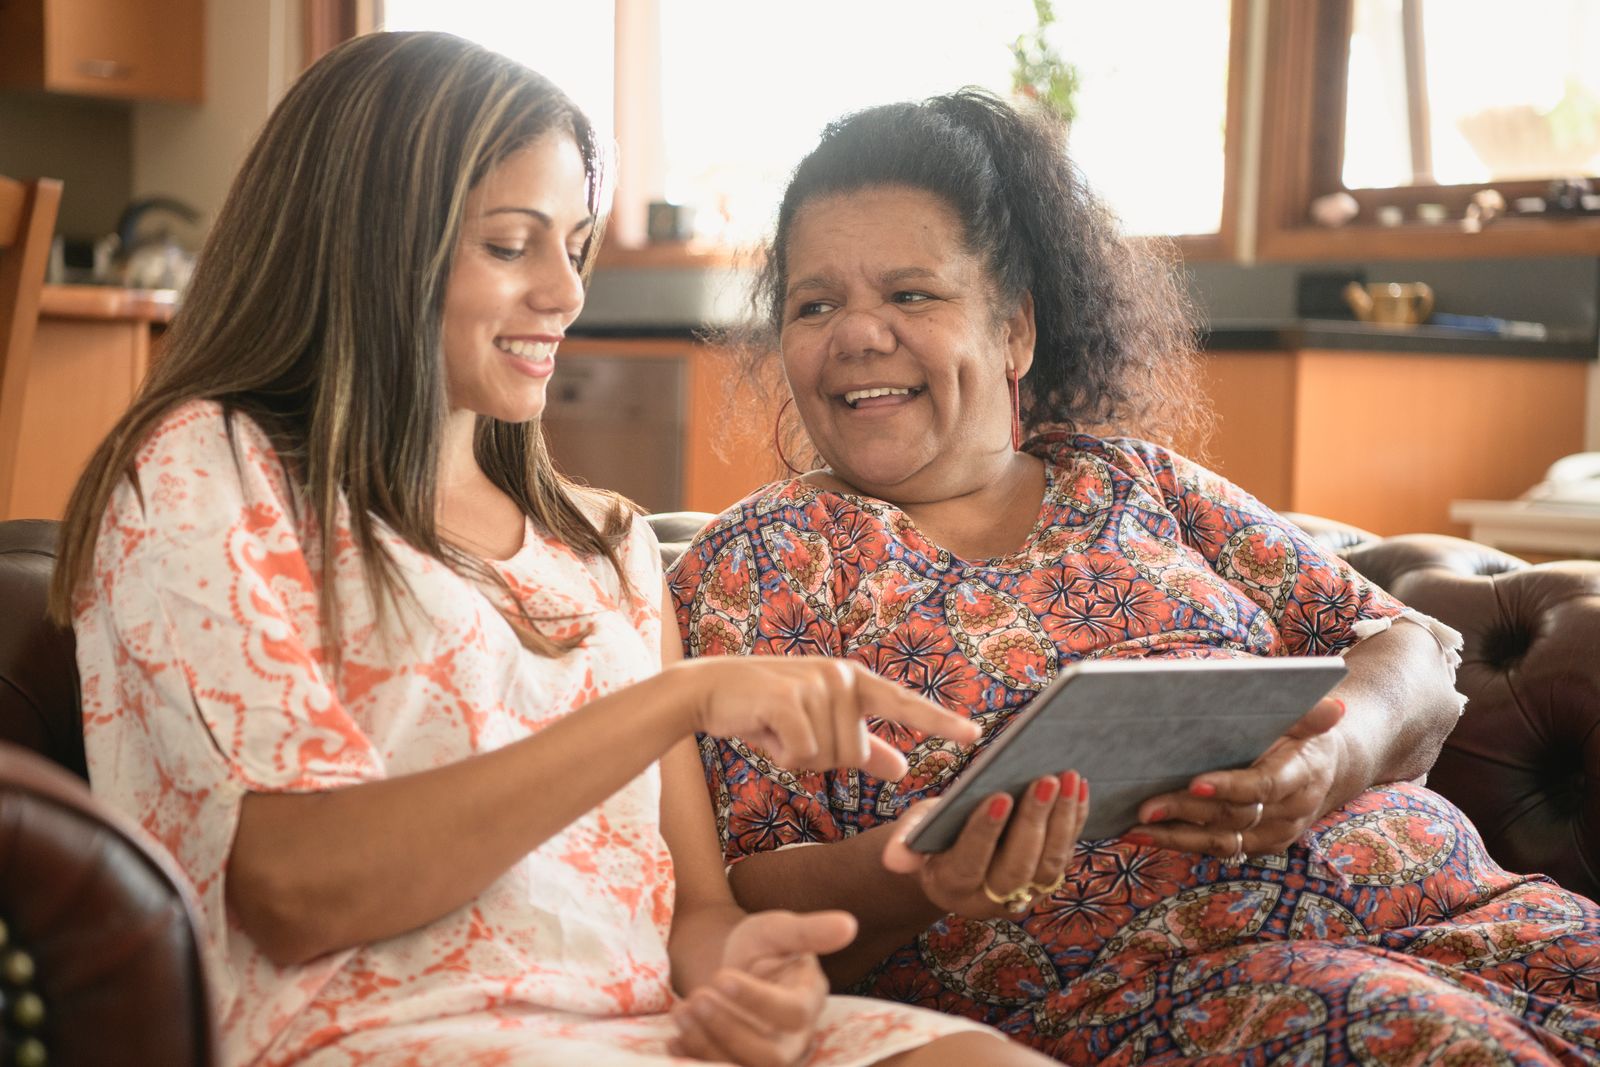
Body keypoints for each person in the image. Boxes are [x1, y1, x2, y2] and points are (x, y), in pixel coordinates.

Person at [48, 36, 1064, 1067]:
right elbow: (297, 891)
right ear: (369, 243)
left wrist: (753, 980)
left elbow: (692, 916)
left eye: (571, 245)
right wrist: (677, 698)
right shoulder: (206, 470)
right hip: (380, 1034)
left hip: (645, 1032)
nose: (565, 291)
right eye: (509, 244)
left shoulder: (606, 545)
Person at [668, 88, 1600, 1065]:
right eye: (815, 303)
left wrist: (1338, 753)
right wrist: (923, 871)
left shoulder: (1131, 477)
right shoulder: (766, 557)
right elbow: (742, 887)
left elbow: (1409, 649)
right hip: (1181, 981)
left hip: (1464, 906)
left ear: (1015, 330)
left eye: (910, 294)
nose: (857, 333)